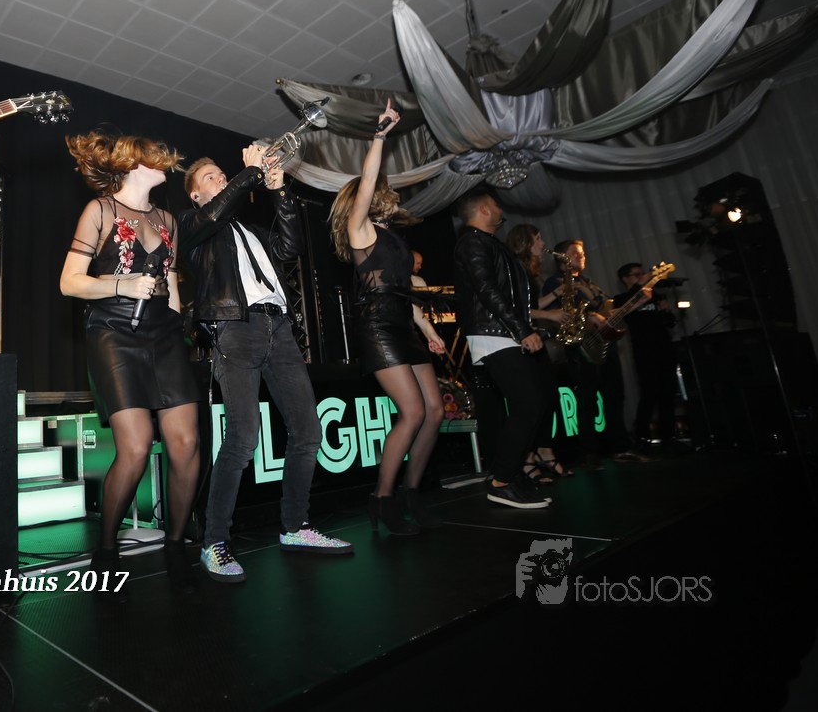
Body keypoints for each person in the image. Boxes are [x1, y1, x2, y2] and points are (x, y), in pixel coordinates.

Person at [179, 145, 352, 583]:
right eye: (211, 177)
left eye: (223, 174)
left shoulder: (252, 230)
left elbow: (291, 247)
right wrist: (248, 173)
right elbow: (217, 211)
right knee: (242, 437)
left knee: (308, 431)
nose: (221, 179)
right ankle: (214, 541)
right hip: (236, 327)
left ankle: (296, 527)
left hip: (280, 329)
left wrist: (278, 190)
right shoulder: (194, 227)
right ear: (196, 195)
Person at [59, 130, 200, 593]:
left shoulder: (167, 218)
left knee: (186, 443)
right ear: (133, 164)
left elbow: (170, 280)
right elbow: (69, 282)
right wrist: (121, 284)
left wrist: (178, 325)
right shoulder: (99, 210)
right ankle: (106, 549)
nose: (165, 164)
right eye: (155, 156)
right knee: (136, 447)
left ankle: (176, 544)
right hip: (114, 331)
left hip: (164, 333)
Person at [329, 102, 447, 534]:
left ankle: (412, 493)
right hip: (378, 328)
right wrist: (379, 136)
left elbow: (403, 292)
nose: (389, 189)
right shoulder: (360, 230)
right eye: (382, 186)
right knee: (412, 412)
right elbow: (367, 182)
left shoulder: (392, 238)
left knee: (435, 411)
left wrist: (429, 330)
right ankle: (382, 498)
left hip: (402, 323)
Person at [451, 188, 554, 508]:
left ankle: (511, 474)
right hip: (494, 333)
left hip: (504, 331)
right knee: (528, 405)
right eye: (496, 205)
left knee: (533, 404)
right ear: (484, 209)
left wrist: (525, 327)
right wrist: (522, 329)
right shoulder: (472, 242)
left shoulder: (490, 243)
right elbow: (486, 289)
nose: (500, 209)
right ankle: (502, 481)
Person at [542, 239, 633, 466]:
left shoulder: (588, 283)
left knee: (615, 395)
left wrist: (635, 302)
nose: (581, 256)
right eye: (575, 253)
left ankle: (619, 448)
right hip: (580, 347)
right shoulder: (555, 283)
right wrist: (590, 316)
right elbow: (555, 314)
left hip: (604, 343)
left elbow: (608, 310)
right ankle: (588, 452)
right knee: (587, 399)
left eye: (582, 253)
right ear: (562, 258)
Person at [506, 224, 572, 482]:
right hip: (522, 341)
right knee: (532, 401)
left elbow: (531, 306)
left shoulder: (527, 271)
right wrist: (550, 314)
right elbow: (513, 308)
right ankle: (527, 457)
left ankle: (544, 450)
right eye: (538, 238)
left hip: (536, 339)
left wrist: (556, 294)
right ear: (525, 242)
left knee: (548, 398)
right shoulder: (513, 269)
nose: (542, 243)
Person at [615, 262, 678, 449]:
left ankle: (669, 436)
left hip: (664, 348)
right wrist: (640, 284)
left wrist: (666, 311)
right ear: (625, 279)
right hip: (644, 351)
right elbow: (625, 310)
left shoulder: (654, 296)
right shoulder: (621, 299)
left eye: (642, 274)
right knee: (649, 393)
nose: (641, 276)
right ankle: (641, 436)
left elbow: (670, 323)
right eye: (636, 274)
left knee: (668, 393)